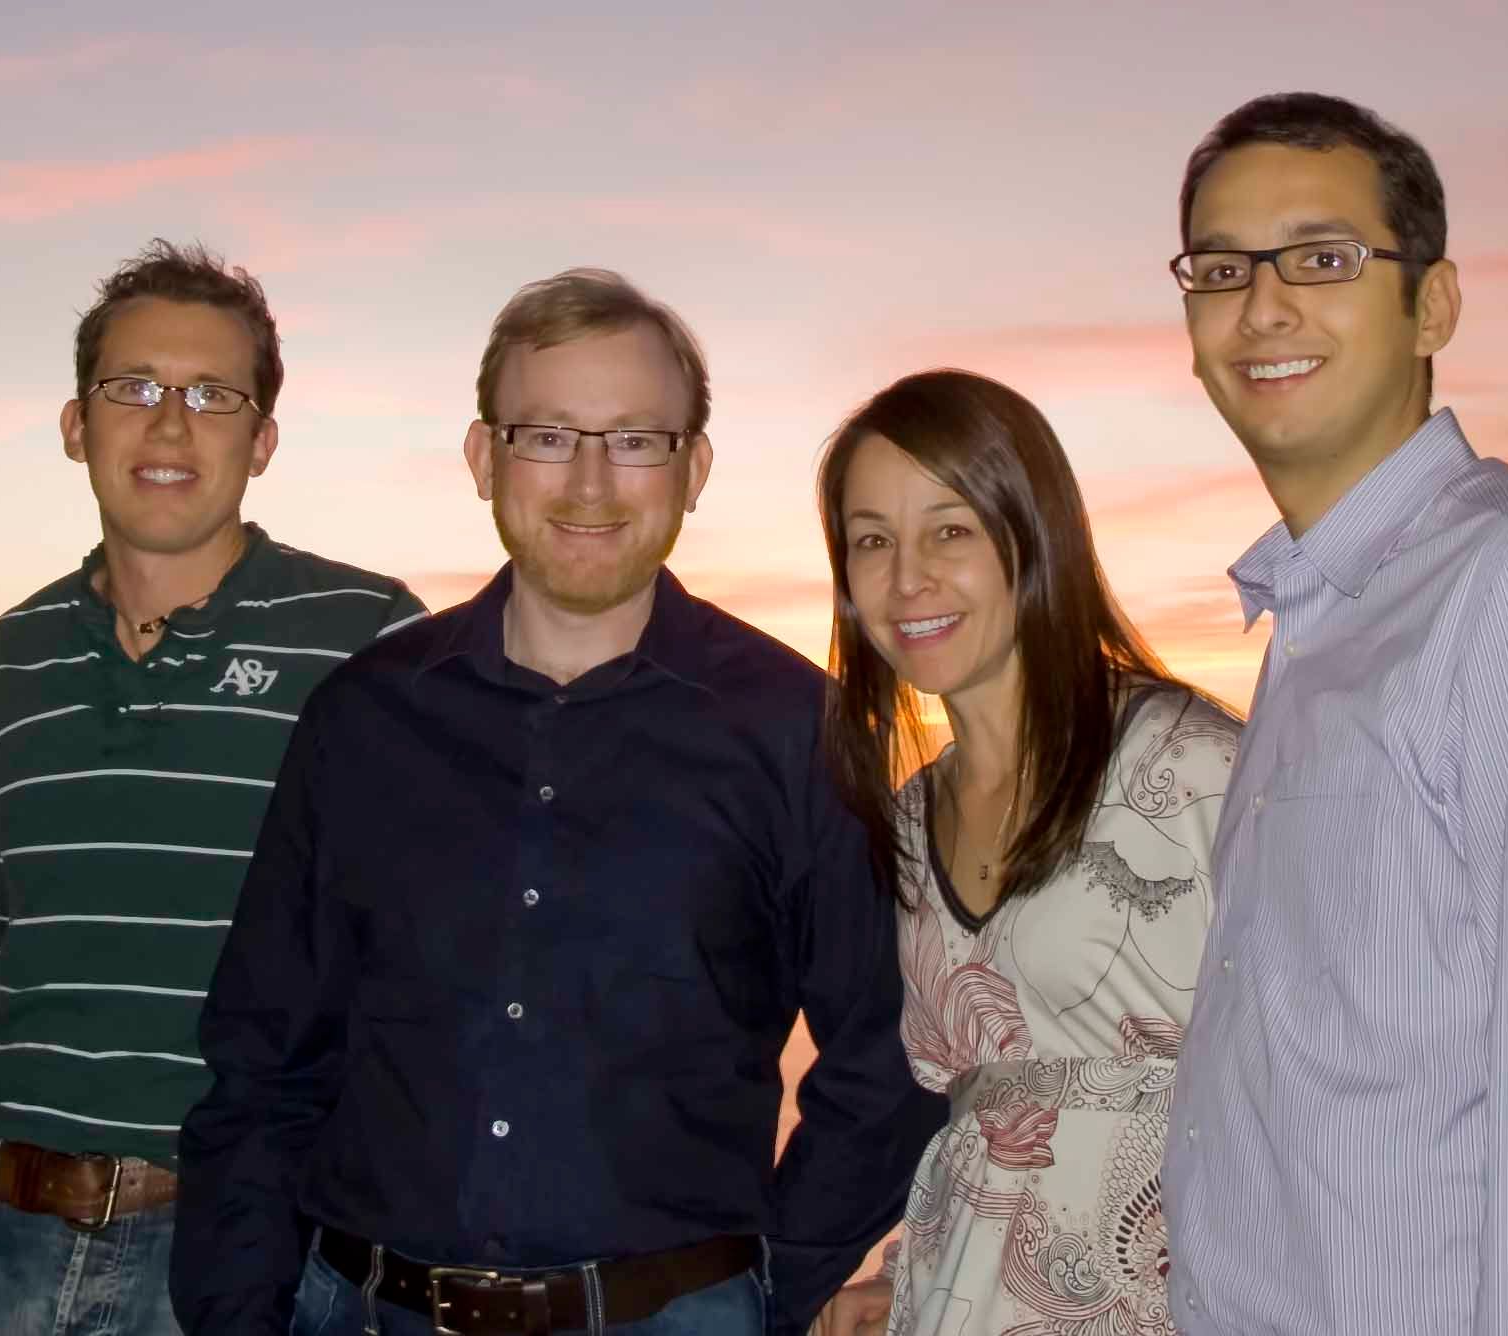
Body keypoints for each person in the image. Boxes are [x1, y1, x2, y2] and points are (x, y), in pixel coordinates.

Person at [175, 267, 942, 1336]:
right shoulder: (362, 722)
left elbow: (886, 1052)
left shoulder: (797, 730)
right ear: (485, 458)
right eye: (547, 435)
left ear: (695, 467)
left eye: (635, 439)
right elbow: (262, 1061)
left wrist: (785, 1287)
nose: (590, 483)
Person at [1156, 92, 1508, 1331]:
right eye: (1222, 267)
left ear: (1433, 305)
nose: (1264, 304)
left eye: (1324, 258)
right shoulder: (1321, 617)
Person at [0, 241, 423, 1336]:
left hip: (228, 1255)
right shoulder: (11, 654)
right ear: (76, 426)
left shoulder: (369, 639)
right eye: (133, 388)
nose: (170, 425)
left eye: (212, 395)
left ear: (262, 439)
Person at [804, 371, 1240, 1336]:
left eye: (949, 530)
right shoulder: (909, 824)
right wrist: (900, 1276)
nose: (906, 577)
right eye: (871, 540)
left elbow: (1327, 1075)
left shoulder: (1188, 767)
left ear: (1031, 537)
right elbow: (978, 1114)